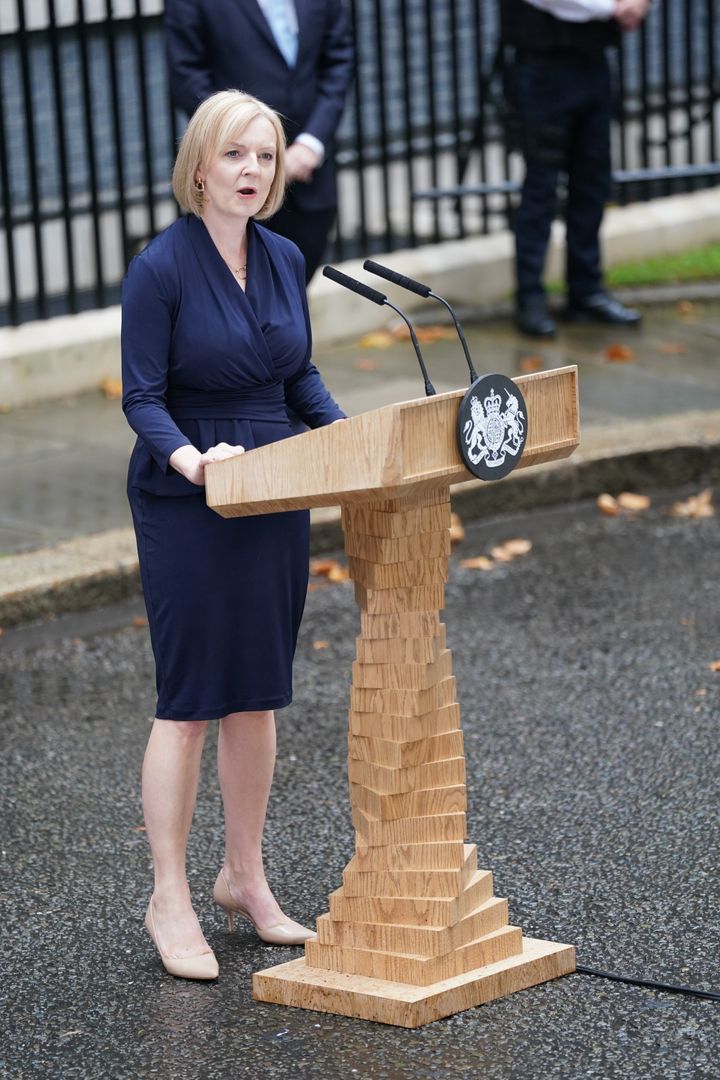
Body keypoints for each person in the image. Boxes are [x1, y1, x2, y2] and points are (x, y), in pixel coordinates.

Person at [121, 90, 346, 981]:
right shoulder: (160, 269)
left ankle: (243, 877)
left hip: (274, 488)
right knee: (189, 702)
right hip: (189, 497)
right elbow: (142, 396)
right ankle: (167, 897)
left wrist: (349, 445)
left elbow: (300, 378)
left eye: (265, 155)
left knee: (257, 692)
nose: (251, 171)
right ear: (200, 166)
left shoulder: (287, 256)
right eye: (234, 156)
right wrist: (191, 463)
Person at [164, 0, 354, 284]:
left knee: (292, 293)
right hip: (233, 187)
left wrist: (310, 143)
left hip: (309, 181)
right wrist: (243, 144)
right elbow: (186, 77)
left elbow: (339, 62)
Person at [503, 0, 652, 337]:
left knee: (592, 182)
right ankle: (530, 297)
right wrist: (613, 7)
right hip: (542, 65)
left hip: (592, 58)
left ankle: (585, 291)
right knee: (541, 185)